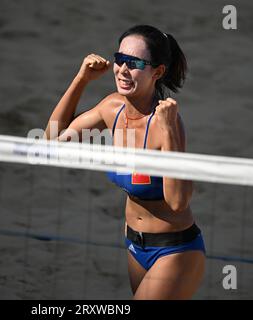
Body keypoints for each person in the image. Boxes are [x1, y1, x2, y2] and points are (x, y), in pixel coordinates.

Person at [44, 25, 205, 300]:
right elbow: (51, 141)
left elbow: (178, 201)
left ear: (158, 72)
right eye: (120, 59)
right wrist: (82, 79)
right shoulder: (112, 108)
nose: (122, 69)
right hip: (134, 244)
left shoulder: (165, 122)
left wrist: (168, 132)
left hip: (175, 250)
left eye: (135, 63)